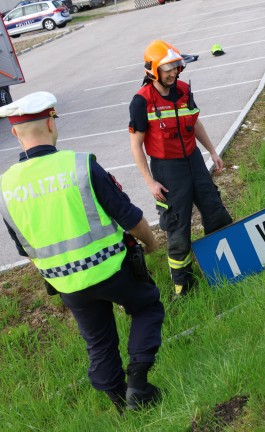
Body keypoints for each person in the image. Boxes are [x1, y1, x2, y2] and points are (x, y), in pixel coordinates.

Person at [0, 92, 165, 413]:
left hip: (67, 285)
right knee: (146, 307)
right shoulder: (79, 166)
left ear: (15, 132)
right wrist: (152, 243)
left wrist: (59, 277)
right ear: (51, 123)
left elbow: (27, 248)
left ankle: (121, 404)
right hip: (112, 269)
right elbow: (130, 218)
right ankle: (139, 385)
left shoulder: (6, 188)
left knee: (99, 344)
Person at [129, 39, 232, 297]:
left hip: (194, 161)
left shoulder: (184, 90)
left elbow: (195, 123)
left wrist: (212, 151)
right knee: (177, 226)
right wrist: (150, 182)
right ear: (153, 70)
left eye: (176, 66)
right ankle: (184, 286)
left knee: (215, 210)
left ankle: (226, 266)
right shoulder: (142, 101)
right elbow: (136, 145)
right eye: (168, 68)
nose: (174, 72)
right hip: (167, 169)